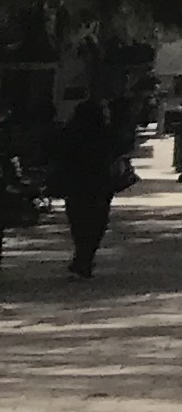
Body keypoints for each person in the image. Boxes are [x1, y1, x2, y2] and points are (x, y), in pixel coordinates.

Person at [49, 90, 125, 277]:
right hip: (100, 185)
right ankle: (86, 256)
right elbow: (119, 149)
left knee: (78, 222)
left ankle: (81, 255)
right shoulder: (105, 134)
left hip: (75, 185)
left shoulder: (69, 133)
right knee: (97, 223)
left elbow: (57, 155)